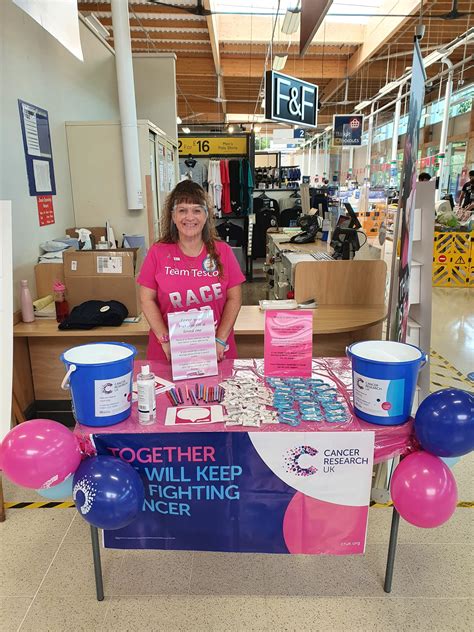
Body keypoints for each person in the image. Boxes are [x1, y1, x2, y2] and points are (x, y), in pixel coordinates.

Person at [137, 180, 245, 362]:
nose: (190, 217)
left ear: (206, 215)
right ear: (173, 216)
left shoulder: (223, 251)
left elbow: (235, 298)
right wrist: (165, 340)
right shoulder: (158, 252)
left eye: (196, 210)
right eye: (182, 210)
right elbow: (146, 299)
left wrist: (220, 339)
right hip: (168, 352)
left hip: (216, 350)